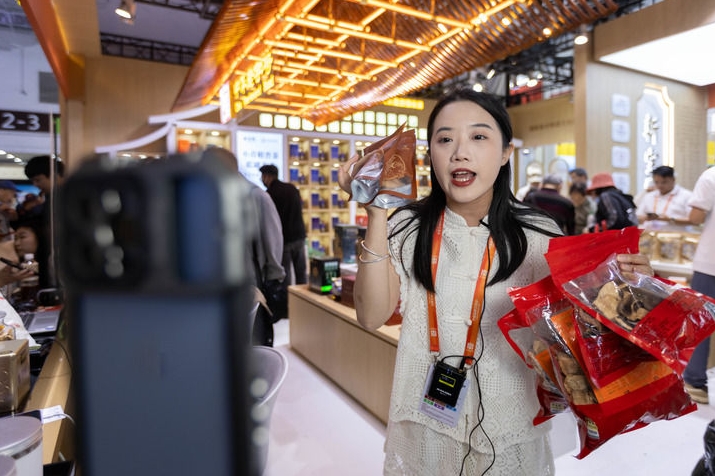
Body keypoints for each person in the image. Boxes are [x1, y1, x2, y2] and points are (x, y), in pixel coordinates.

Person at [337, 89, 653, 475]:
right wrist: (376, 213)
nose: (460, 152)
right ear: (430, 153)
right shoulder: (406, 227)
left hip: (511, 430)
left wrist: (626, 287)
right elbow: (371, 316)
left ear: (505, 153)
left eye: (478, 136)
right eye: (445, 139)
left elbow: (580, 332)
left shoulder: (539, 234)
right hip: (425, 431)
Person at [202, 148, 286, 346]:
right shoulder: (210, 195)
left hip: (252, 286)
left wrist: (274, 276)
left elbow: (273, 240)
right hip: (220, 288)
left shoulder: (257, 196)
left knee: (253, 343)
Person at [681, 166, 715, 405]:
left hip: (710, 262)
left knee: (701, 321)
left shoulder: (710, 176)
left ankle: (695, 382)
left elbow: (695, 217)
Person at [260, 163, 308, 285]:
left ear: (268, 177)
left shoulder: (270, 194)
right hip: (299, 236)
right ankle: (301, 295)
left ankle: (288, 296)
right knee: (301, 273)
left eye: (263, 176)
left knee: (285, 274)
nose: (262, 179)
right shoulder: (292, 188)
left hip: (284, 240)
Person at [24, 155, 65, 290]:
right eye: (33, 181)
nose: (35, 185)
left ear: (54, 175)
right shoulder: (49, 198)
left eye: (38, 180)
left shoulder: (67, 198)